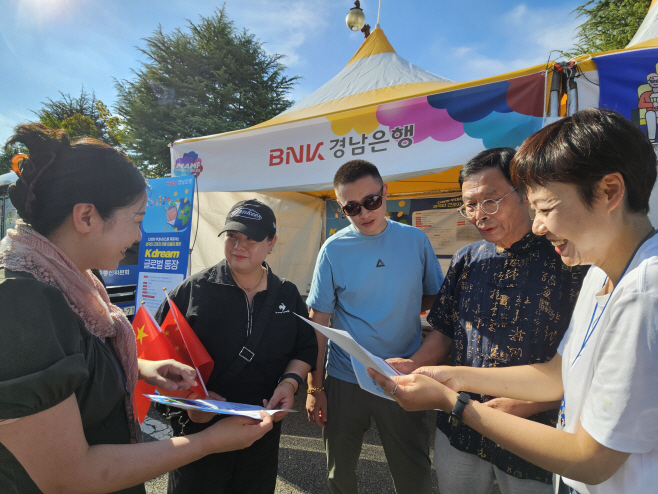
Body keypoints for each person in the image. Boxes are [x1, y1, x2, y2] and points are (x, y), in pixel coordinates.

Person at [368, 108, 658, 494]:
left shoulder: (644, 293)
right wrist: (450, 375)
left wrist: (454, 402)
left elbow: (592, 459)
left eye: (547, 208)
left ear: (609, 191)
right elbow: (556, 375)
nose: (540, 226)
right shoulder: (600, 275)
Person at [0, 124, 272, 494]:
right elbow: (70, 475)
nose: (140, 237)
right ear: (86, 217)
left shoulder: (73, 280)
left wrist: (144, 369)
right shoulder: (21, 301)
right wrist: (209, 442)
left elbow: (76, 366)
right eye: (138, 219)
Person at [387, 148, 587, 494]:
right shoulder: (469, 258)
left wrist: (531, 403)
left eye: (490, 201)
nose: (479, 214)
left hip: (536, 431)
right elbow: (446, 331)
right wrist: (414, 365)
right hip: (460, 426)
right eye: (470, 205)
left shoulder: (567, 259)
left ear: (525, 194)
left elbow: (582, 358)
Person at [155, 199, 318, 494]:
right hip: (200, 435)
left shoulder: (287, 294)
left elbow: (304, 348)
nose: (239, 246)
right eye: (232, 236)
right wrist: (191, 403)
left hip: (261, 433)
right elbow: (157, 358)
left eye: (251, 238)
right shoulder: (193, 292)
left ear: (271, 243)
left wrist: (290, 383)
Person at [306, 160, 444, 494]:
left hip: (401, 373)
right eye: (352, 207)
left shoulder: (415, 240)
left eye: (371, 201)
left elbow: (434, 300)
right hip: (344, 377)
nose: (365, 213)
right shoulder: (334, 249)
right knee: (340, 471)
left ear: (385, 193)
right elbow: (318, 325)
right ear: (341, 208)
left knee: (413, 470)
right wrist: (315, 388)